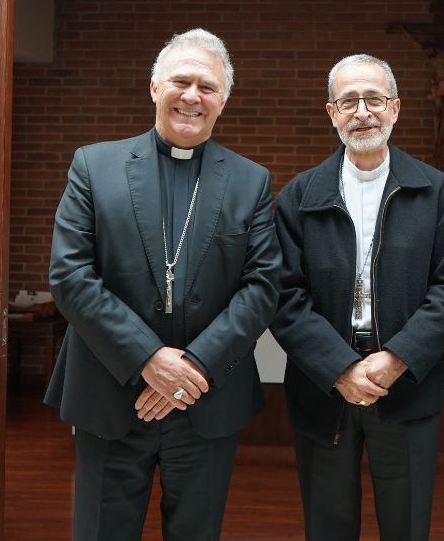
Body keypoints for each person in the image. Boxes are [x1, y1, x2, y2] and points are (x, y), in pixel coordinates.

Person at [45, 28, 281, 540]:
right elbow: (70, 275)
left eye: (208, 87)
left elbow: (263, 286)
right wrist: (149, 359)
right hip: (110, 394)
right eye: (181, 81)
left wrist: (191, 368)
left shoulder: (251, 181)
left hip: (206, 399)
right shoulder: (95, 166)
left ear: (223, 101)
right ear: (154, 87)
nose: (192, 96)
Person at [270, 53, 444, 541]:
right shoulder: (299, 196)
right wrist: (339, 367)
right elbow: (283, 294)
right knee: (328, 526)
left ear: (395, 108)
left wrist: (396, 359)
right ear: (332, 113)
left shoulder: (434, 190)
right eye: (349, 101)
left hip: (405, 388)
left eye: (374, 99)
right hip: (324, 388)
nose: (362, 112)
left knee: (406, 526)